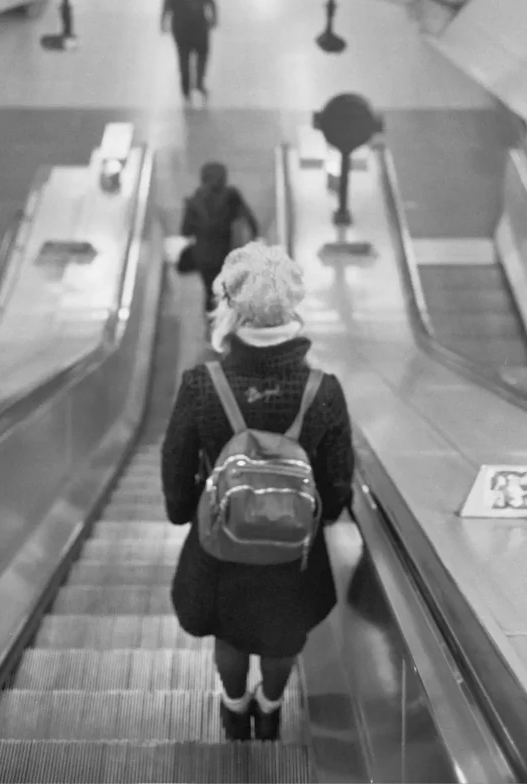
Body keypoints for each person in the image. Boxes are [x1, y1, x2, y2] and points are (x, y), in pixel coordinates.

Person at [161, 242, 355, 742]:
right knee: (280, 635)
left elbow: (176, 468)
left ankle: (233, 708)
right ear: (293, 309)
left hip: (221, 548)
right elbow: (337, 485)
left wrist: (183, 510)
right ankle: (270, 710)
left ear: (228, 306)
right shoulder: (322, 389)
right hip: (292, 555)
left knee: (230, 633)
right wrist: (317, 515)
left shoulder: (202, 385)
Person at [180, 162, 259, 318]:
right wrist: (254, 236)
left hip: (203, 257)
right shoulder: (231, 196)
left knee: (210, 291)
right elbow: (249, 219)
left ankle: (212, 325)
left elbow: (185, 231)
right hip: (226, 253)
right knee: (229, 290)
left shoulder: (194, 200)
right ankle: (228, 323)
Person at [161, 0, 217, 104]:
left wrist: (163, 21)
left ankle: (186, 90)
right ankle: (199, 84)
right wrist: (213, 18)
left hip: (180, 26)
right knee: (202, 55)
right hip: (199, 25)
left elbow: (167, 3)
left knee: (183, 58)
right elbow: (211, 1)